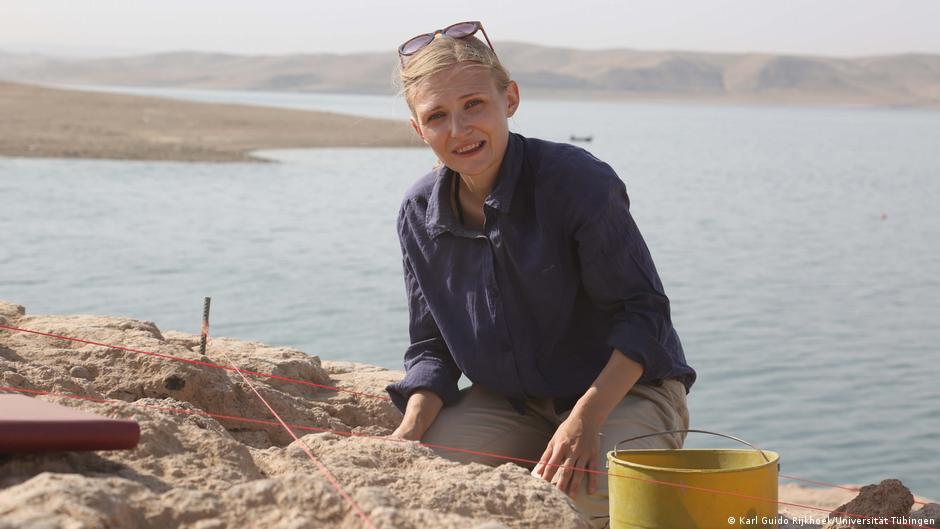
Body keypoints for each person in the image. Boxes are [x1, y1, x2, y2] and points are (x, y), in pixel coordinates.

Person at [385, 21, 696, 528]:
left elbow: (643, 315)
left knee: (577, 503)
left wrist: (586, 418)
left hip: (624, 392)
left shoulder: (578, 183)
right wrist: (412, 428)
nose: (459, 130)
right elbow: (430, 346)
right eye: (437, 116)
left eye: (474, 105)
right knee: (424, 484)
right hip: (509, 402)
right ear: (419, 129)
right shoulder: (418, 211)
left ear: (509, 98)